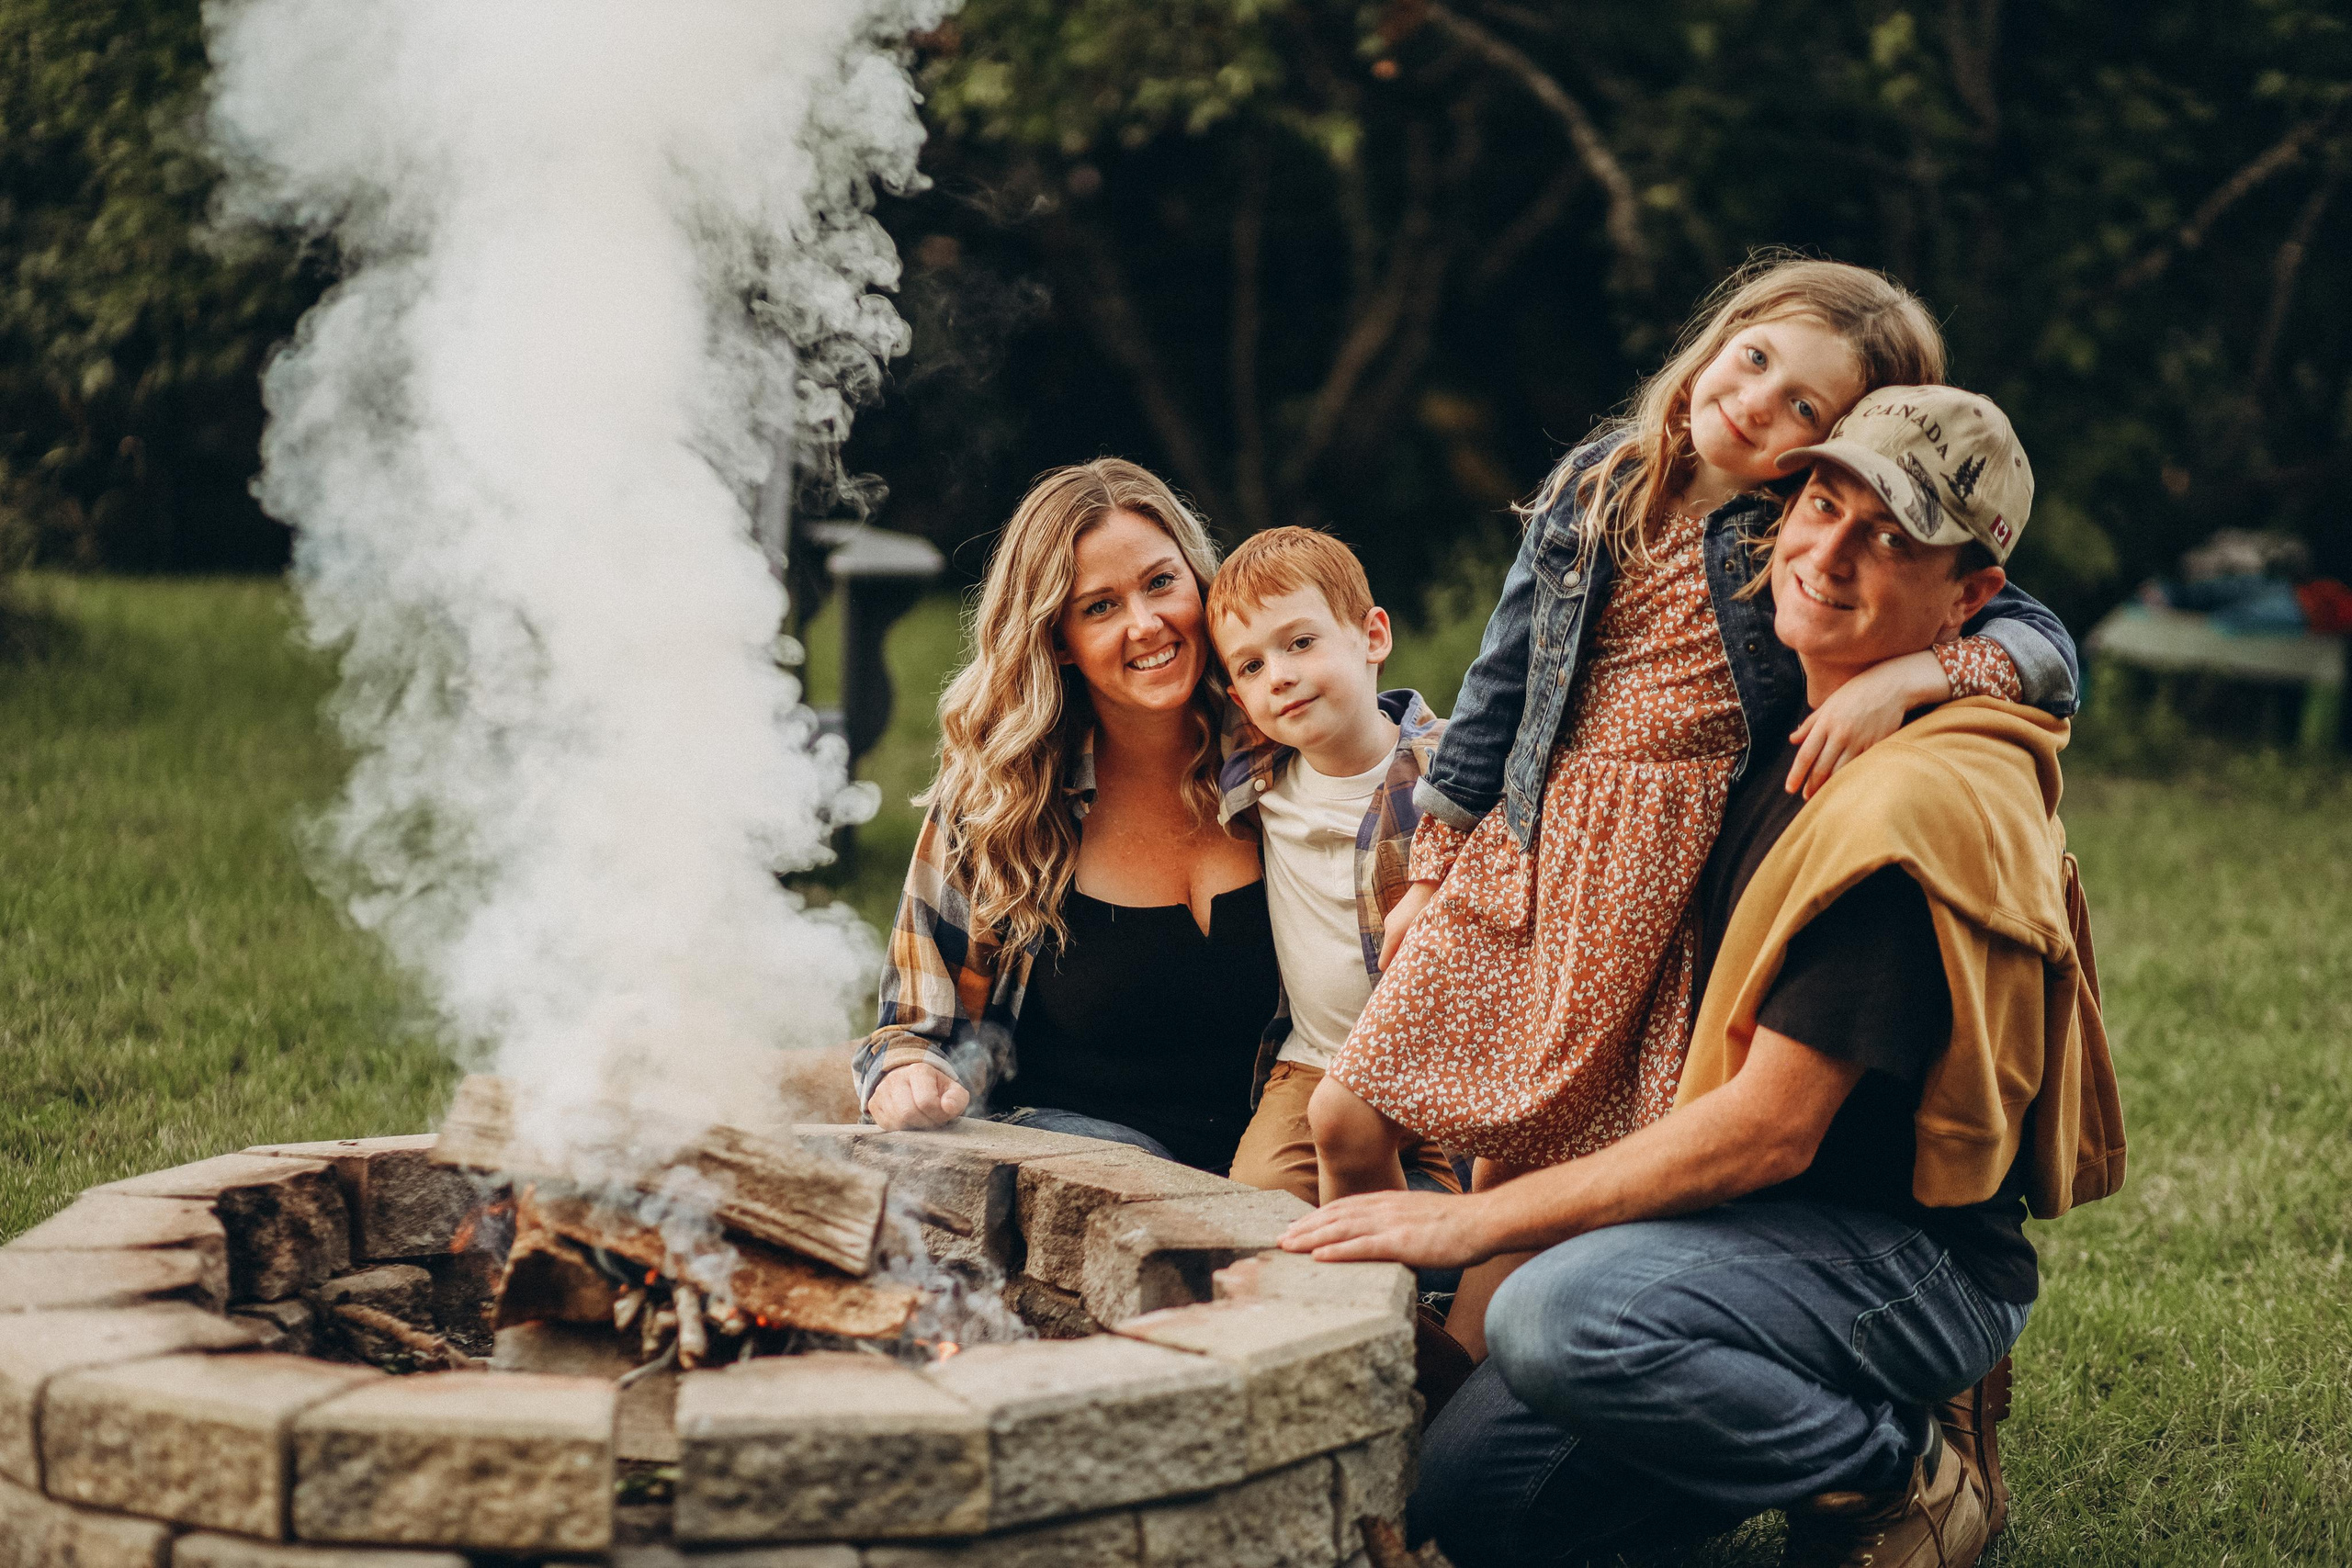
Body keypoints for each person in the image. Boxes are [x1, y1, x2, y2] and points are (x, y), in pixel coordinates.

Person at [1282, 385, 2127, 1568]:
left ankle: (1899, 1471)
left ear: (1969, 599)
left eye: (1890, 539)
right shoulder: (1777, 716)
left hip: (1894, 1256)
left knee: (1555, 1318)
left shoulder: (1908, 807)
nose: (1829, 555)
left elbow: (1766, 1134)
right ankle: (1779, 1413)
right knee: (1469, 1511)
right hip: (1734, 1241)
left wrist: (1467, 1221)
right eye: (1822, 505)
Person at [1306, 256, 2081, 1353]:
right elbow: (1501, 683)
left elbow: (2038, 641)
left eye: (1803, 406)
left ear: (1840, 434)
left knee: (1536, 1156)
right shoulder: (1599, 481)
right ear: (1716, 339)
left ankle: (1434, 1370)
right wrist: (1433, 866)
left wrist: (1911, 677)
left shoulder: (1794, 522)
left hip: (1652, 881)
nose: (1757, 401)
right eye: (1753, 358)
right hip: (1530, 851)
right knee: (1343, 1114)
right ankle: (1371, 1332)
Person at [851, 459, 1276, 1174]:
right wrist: (903, 1081)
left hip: (1292, 1165)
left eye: (1161, 582)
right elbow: (913, 1035)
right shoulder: (1000, 800)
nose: (1147, 624)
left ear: (1199, 581)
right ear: (1056, 639)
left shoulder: (1280, 749)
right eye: (1100, 606)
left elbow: (1396, 740)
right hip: (1086, 1184)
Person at [1204, 526, 1458, 1206]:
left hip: (1441, 1062)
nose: (1278, 674)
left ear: (1373, 637)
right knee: (1254, 1208)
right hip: (1313, 1061)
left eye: (1300, 643)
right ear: (1238, 699)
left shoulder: (1451, 771)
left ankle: (1429, 1298)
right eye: (1251, 667)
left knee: (1456, 1229)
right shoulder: (1255, 779)